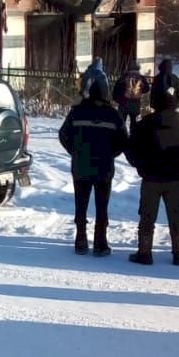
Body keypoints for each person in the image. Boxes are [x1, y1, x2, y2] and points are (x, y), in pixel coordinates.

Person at [127, 90, 179, 266]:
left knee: (147, 216)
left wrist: (140, 166)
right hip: (174, 179)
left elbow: (129, 148)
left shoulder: (144, 125)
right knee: (176, 216)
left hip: (150, 178)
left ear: (155, 104)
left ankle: (144, 253)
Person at [59, 79, 129, 255]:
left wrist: (74, 151)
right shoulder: (113, 114)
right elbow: (123, 140)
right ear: (106, 94)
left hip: (80, 167)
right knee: (101, 206)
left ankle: (80, 241)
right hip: (104, 168)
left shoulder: (77, 112)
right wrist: (111, 153)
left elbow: (63, 135)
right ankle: (100, 243)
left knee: (80, 205)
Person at [112, 61, 150, 133]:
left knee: (122, 122)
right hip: (135, 103)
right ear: (138, 68)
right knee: (133, 122)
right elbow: (147, 89)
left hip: (124, 103)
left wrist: (117, 100)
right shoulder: (141, 78)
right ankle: (133, 137)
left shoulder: (124, 77)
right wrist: (139, 91)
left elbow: (117, 89)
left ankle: (122, 137)